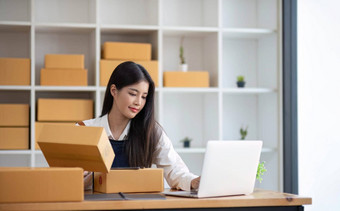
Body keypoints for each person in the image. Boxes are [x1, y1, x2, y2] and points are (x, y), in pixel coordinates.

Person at [78, 61, 200, 191]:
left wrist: (194, 182)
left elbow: (175, 171)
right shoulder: (84, 130)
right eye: (132, 94)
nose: (138, 102)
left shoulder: (150, 132)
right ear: (114, 91)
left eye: (144, 96)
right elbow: (62, 178)